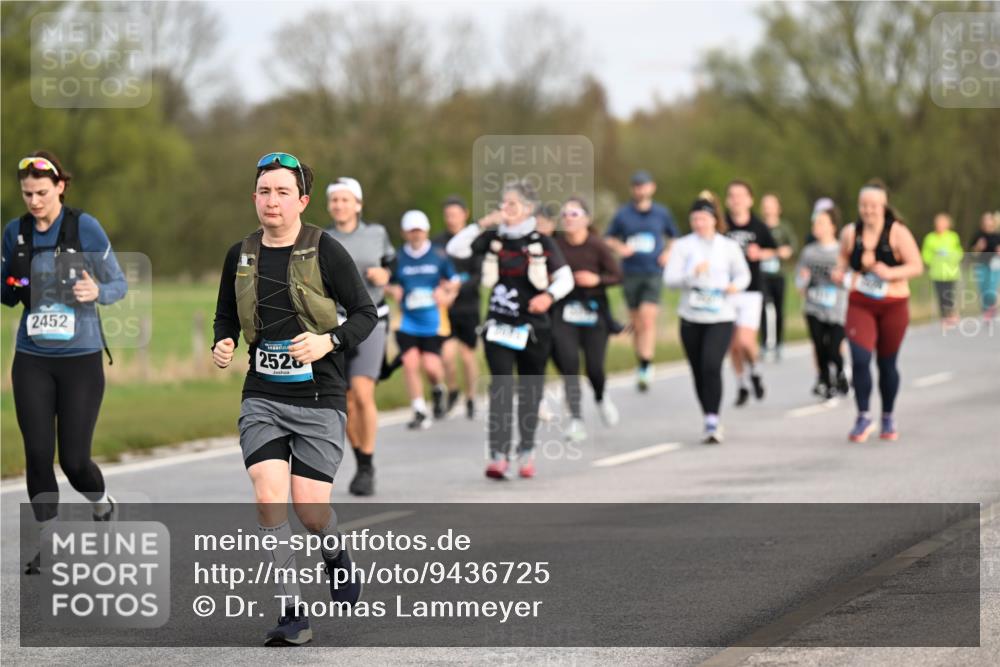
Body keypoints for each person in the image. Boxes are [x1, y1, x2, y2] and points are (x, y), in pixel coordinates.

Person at [212, 153, 377, 645]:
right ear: (254, 198)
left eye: (283, 192)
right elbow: (224, 314)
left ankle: (333, 552)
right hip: (261, 394)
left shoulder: (326, 250)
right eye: (264, 191)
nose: (272, 201)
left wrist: (329, 341)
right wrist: (223, 342)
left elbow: (365, 315)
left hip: (319, 396)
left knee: (310, 513)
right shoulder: (239, 254)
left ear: (302, 200)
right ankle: (292, 611)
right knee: (268, 498)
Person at [2, 151, 128, 575]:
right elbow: (5, 290)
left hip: (80, 360)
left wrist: (99, 292)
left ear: (60, 186)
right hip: (32, 358)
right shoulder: (14, 232)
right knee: (38, 454)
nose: (34, 201)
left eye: (41, 192)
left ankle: (101, 503)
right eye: (27, 194)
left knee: (74, 461)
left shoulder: (83, 226)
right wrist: (10, 282)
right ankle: (49, 543)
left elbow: (117, 282)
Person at [446, 180, 573, 479]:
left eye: (512, 205)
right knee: (500, 387)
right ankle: (498, 455)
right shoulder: (492, 237)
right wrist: (482, 223)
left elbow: (566, 278)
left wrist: (548, 296)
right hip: (498, 326)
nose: (506, 209)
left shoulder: (542, 242)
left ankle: (526, 451)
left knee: (530, 390)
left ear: (528, 209)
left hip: (533, 329)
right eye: (503, 204)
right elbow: (455, 247)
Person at [832, 179, 923, 443]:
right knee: (860, 359)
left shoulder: (897, 232)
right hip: (860, 301)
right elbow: (842, 260)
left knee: (886, 363)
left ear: (884, 205)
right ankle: (863, 416)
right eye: (863, 205)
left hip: (893, 304)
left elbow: (916, 265)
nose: (868, 210)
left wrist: (890, 272)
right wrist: (839, 273)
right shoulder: (851, 232)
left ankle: (888, 415)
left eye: (873, 205)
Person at [324, 176, 395, 496]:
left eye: (344, 199)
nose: (339, 205)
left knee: (363, 394)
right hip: (335, 323)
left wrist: (386, 275)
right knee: (346, 401)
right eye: (334, 200)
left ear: (358, 204)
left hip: (372, 319)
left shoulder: (377, 234)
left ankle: (367, 466)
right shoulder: (321, 238)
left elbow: (394, 266)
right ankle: (361, 460)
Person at [663, 193, 750, 444]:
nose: (699, 223)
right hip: (691, 316)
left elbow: (743, 275)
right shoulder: (682, 246)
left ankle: (713, 419)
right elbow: (669, 280)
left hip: (721, 315)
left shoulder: (728, 246)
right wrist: (691, 275)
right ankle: (707, 414)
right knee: (699, 369)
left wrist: (735, 286)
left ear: (714, 219)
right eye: (695, 219)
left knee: (712, 365)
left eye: (703, 218)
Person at [551, 196, 624, 442]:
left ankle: (601, 398)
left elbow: (616, 275)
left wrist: (596, 280)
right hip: (564, 311)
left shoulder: (597, 245)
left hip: (594, 312)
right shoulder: (556, 245)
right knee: (569, 365)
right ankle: (576, 419)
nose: (569, 219)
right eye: (566, 215)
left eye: (574, 214)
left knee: (594, 367)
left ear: (586, 219)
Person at [605, 170, 679, 392]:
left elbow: (674, 236)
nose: (640, 189)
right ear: (632, 189)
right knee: (637, 322)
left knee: (648, 319)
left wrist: (667, 252)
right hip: (630, 272)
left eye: (644, 185)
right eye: (637, 186)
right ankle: (641, 361)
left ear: (652, 187)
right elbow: (609, 238)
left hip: (653, 272)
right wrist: (620, 248)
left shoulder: (661, 213)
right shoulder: (623, 214)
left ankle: (647, 364)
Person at [386, 210, 459, 429]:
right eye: (411, 231)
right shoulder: (398, 257)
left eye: (419, 230)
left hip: (432, 320)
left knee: (431, 367)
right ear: (404, 233)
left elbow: (454, 281)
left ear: (426, 231)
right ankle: (418, 409)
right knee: (409, 362)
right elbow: (386, 282)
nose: (416, 235)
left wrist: (447, 294)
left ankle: (438, 388)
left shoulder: (439, 255)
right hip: (407, 320)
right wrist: (393, 290)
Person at [723, 180, 778, 406]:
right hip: (726, 291)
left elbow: (776, 250)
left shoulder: (758, 226)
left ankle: (755, 369)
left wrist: (761, 253)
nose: (736, 200)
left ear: (749, 200)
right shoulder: (722, 225)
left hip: (751, 290)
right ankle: (742, 384)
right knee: (732, 345)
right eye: (732, 195)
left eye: (740, 195)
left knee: (746, 341)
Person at [431, 196, 481, 420]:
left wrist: (456, 288)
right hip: (445, 308)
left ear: (465, 214)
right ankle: (453, 390)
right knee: (447, 356)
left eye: (455, 214)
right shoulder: (438, 242)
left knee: (468, 355)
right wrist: (443, 290)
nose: (451, 219)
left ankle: (471, 396)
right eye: (448, 215)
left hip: (468, 305)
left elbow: (478, 275)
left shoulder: (475, 241)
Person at [796, 206, 849, 399]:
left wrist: (841, 277)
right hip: (814, 307)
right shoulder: (808, 253)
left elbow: (852, 279)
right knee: (819, 347)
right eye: (815, 223)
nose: (817, 227)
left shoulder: (842, 252)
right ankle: (826, 382)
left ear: (833, 227)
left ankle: (841, 372)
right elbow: (799, 282)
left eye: (822, 223)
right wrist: (803, 279)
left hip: (837, 309)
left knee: (834, 348)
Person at [759, 193, 797, 360]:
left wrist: (784, 252)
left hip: (779, 274)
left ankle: (779, 343)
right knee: (764, 309)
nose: (768, 209)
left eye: (771, 205)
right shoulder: (759, 227)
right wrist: (772, 252)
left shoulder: (784, 228)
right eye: (765, 206)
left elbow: (791, 247)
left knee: (779, 310)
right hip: (762, 275)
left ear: (778, 208)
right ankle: (765, 344)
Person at [921, 212, 963, 326]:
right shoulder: (930, 238)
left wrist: (950, 255)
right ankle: (944, 316)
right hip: (937, 272)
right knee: (940, 295)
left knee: (949, 294)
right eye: (938, 223)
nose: (939, 225)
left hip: (950, 272)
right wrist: (933, 258)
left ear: (948, 224)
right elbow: (925, 254)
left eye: (942, 223)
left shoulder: (953, 237)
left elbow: (959, 252)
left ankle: (951, 314)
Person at [969, 211, 1000, 320]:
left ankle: (992, 308)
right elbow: (972, 253)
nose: (987, 222)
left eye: (989, 219)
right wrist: (978, 247)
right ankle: (986, 311)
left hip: (995, 266)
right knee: (983, 289)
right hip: (981, 265)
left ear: (993, 221)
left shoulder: (997, 236)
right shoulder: (978, 235)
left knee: (991, 288)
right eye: (985, 220)